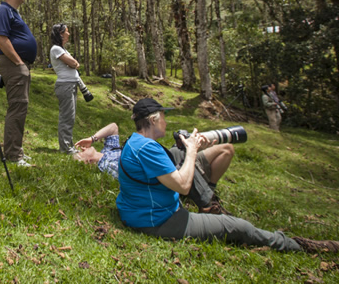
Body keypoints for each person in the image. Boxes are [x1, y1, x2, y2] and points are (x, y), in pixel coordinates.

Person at [115, 98, 339, 253]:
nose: (166, 121)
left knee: (203, 155)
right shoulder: (148, 149)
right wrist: (191, 150)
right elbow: (183, 185)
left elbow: (164, 169)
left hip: (139, 210)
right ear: (153, 120)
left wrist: (194, 148)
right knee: (238, 227)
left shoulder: (136, 142)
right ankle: (296, 245)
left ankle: (207, 199)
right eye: (163, 117)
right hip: (158, 221)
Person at [75, 122, 234, 214]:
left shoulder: (108, 150)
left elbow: (113, 127)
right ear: (87, 162)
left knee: (226, 148)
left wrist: (92, 138)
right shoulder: (106, 166)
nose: (81, 149)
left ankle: (208, 188)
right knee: (188, 156)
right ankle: (208, 202)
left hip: (167, 155)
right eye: (79, 153)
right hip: (163, 167)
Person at [0, 0, 37, 167]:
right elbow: (1, 39)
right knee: (17, 107)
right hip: (14, 64)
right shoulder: (2, 10)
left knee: (20, 108)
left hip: (19, 64)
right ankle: (13, 155)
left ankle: (16, 150)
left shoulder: (13, 12)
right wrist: (19, 63)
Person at [50, 23, 80, 154]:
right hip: (65, 85)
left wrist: (74, 63)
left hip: (71, 85)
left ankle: (69, 146)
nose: (69, 34)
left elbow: (74, 64)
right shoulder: (56, 49)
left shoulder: (63, 50)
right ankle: (66, 148)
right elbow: (74, 63)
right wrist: (74, 63)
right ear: (60, 34)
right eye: (66, 31)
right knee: (66, 117)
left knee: (70, 117)